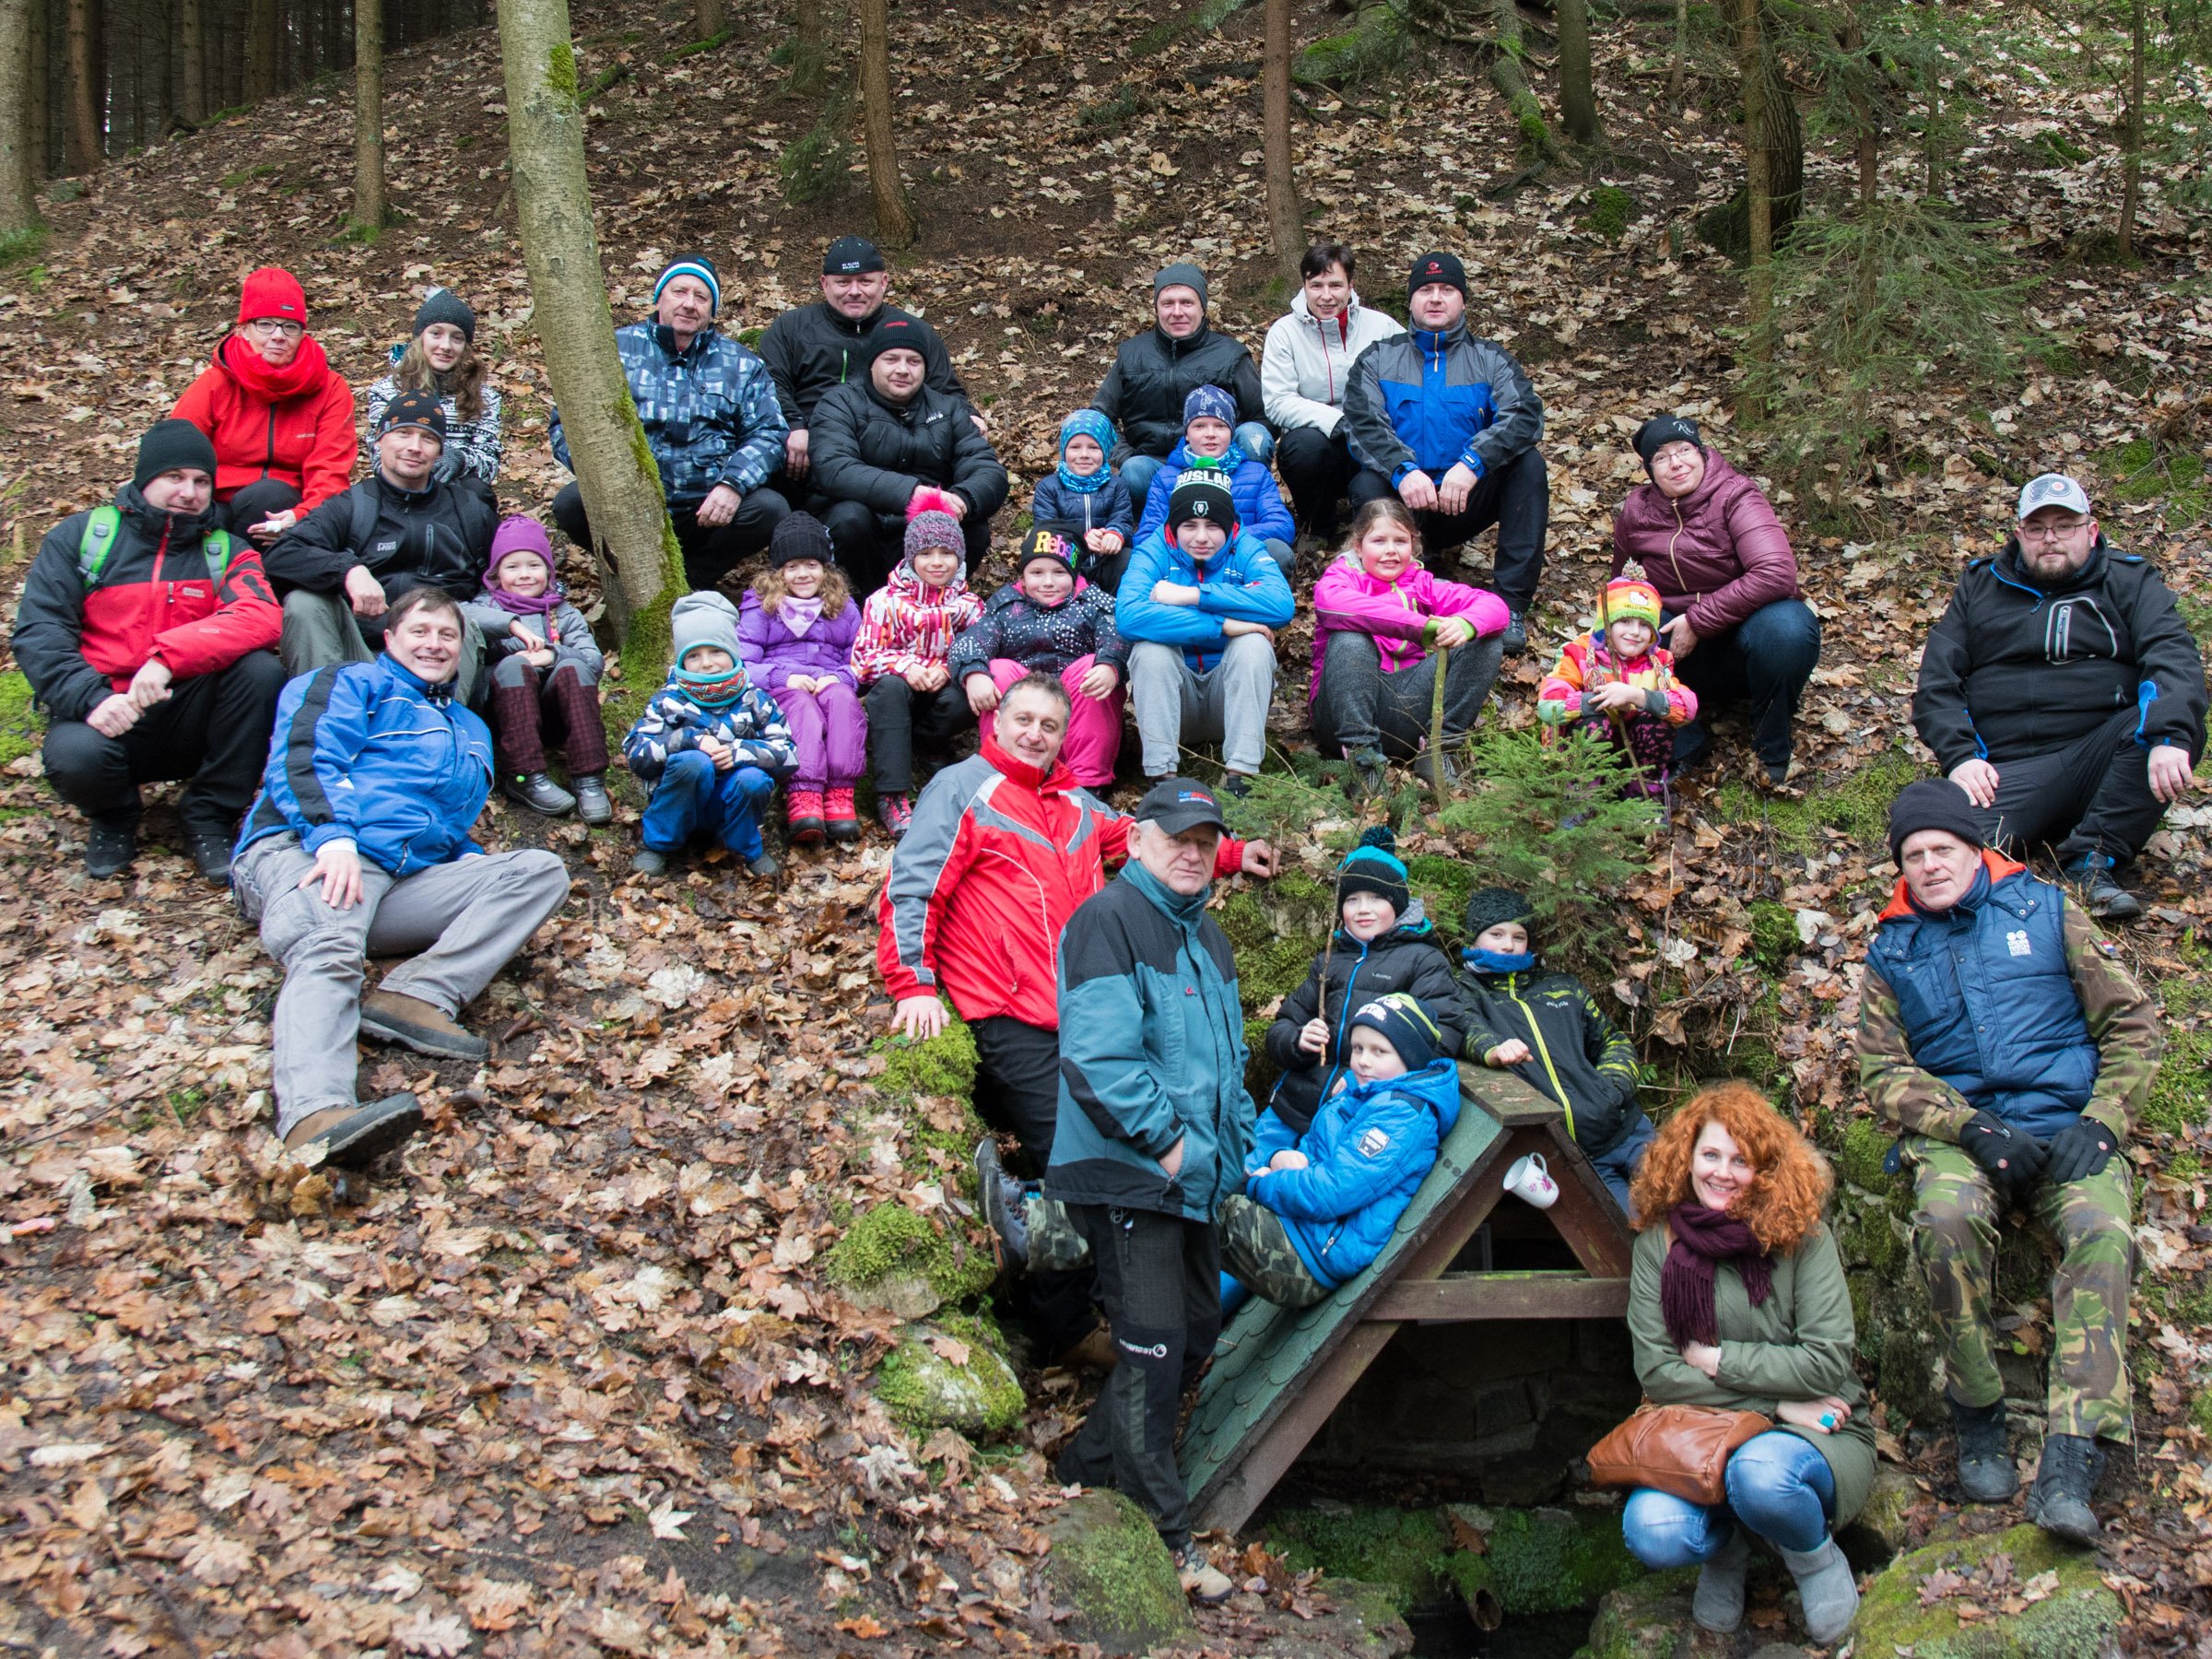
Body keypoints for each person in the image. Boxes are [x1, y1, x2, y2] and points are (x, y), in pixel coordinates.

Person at [885, 677, 1277, 1360]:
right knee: (1077, 1169)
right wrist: (913, 983)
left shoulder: (1071, 801)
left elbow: (1139, 838)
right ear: (997, 724)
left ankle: (1109, 1319)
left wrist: (1232, 854)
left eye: (1049, 724)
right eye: (1024, 720)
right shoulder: (960, 789)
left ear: (1066, 734)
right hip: (1012, 1011)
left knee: (1109, 1164)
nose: (1035, 734)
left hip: (1087, 1012)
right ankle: (1067, 1330)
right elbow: (915, 883)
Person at [1857, 778, 2160, 1546]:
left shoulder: (2049, 911)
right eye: (1914, 854)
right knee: (1946, 1218)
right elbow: (1882, 1071)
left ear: (1975, 849)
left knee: (2104, 1233)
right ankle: (1980, 1418)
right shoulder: (1892, 948)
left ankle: (2071, 1457)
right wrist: (1969, 1127)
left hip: (2067, 1126)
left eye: (1943, 849)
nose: (1929, 865)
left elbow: (2132, 1023)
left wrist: (2105, 1122)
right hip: (1967, 1137)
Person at [230, 587, 571, 1169]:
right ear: (389, 639)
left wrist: (467, 860)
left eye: (447, 635)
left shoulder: (469, 727)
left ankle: (415, 995)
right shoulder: (350, 683)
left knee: (538, 871)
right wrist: (331, 835)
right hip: (309, 849)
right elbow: (305, 756)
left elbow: (445, 823)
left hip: (400, 878)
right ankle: (315, 1115)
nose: (434, 645)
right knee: (330, 944)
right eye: (420, 631)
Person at [1041, 778, 1262, 1604]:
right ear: (1136, 841)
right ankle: (1163, 1535)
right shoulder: (1107, 922)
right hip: (1133, 1173)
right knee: (1153, 1343)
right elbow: (1098, 1058)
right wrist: (1169, 1145)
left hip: (1195, 1175)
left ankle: (1082, 1472)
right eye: (1176, 836)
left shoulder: (1208, 935)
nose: (1192, 852)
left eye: (1206, 840)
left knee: (1196, 1328)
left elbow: (1228, 1064)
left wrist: (1228, 1152)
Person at [992, 991, 1462, 1320]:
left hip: (1304, 1257)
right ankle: (1034, 1207)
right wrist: (1279, 1168)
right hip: (1294, 1227)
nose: (1362, 1060)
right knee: (1176, 1174)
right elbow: (1317, 1172)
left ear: (1411, 1059)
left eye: (1379, 1051)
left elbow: (1330, 1191)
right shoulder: (1371, 1094)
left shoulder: (1402, 1118)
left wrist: (1259, 1179)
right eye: (1358, 1047)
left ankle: (1031, 1233)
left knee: (1181, 1199)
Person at [1621, 1082, 1869, 1645]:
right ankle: (1727, 1551)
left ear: (1766, 1169)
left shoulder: (1804, 1240)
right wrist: (1775, 1401)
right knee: (1651, 1529)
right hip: (1713, 1429)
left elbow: (1826, 1362)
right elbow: (1658, 1374)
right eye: (1710, 1155)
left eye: (1741, 1161)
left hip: (1815, 1434)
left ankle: (1812, 1558)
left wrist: (1717, 1359)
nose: (1722, 1173)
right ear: (1686, 1159)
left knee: (1760, 1474)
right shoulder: (1656, 1248)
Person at [1913, 472, 2206, 921]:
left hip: (2101, 757)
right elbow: (1937, 681)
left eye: (2064, 525)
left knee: (2164, 730)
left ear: (2090, 530)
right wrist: (1960, 757)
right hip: (2005, 776)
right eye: (2037, 527)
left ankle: (2092, 861)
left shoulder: (2129, 580)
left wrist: (2170, 734)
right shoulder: (1979, 586)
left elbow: (2172, 656)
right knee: (1940, 841)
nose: (2050, 538)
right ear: (2019, 534)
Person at [12, 419, 286, 883]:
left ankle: (208, 815)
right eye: (174, 477)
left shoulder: (225, 549)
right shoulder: (83, 538)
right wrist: (91, 699)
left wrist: (166, 659)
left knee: (260, 672)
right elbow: (40, 631)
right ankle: (116, 816)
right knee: (75, 754)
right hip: (109, 709)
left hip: (190, 712)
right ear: (145, 479)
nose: (189, 492)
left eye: (201, 481)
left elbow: (261, 615)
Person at [1340, 251, 1547, 654]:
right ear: (1411, 301)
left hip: (1463, 499)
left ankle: (1510, 604)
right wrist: (1403, 470)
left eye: (1447, 290)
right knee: (1366, 481)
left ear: (1462, 300)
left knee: (1529, 466)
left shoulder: (1490, 359)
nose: (1435, 299)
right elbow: (1362, 423)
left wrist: (1473, 463)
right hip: (1404, 502)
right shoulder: (1379, 358)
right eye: (1426, 290)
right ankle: (1394, 595)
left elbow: (1524, 416)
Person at [548, 253, 791, 592]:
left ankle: (689, 580)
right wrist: (613, 482)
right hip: (630, 505)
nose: (689, 304)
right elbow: (566, 424)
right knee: (571, 503)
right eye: (680, 292)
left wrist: (732, 484)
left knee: (770, 509)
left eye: (701, 297)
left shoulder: (741, 364)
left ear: (712, 310)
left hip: (708, 511)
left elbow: (769, 433)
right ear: (659, 297)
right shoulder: (614, 351)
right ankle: (638, 574)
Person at [1611, 415, 1819, 791]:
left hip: (1747, 642)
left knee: (1788, 628)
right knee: (1617, 633)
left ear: (1702, 454)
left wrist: (1698, 620)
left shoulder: (1736, 495)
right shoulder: (1637, 511)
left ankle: (1771, 747)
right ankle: (1682, 742)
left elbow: (1775, 572)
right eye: (1661, 457)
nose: (1676, 463)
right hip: (1678, 654)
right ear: (1649, 471)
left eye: (1684, 451)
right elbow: (1622, 589)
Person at [265, 391, 499, 692]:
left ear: (440, 451)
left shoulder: (470, 512)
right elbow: (280, 556)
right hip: (359, 651)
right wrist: (348, 570)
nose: (414, 447)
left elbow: (508, 579)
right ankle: (323, 719)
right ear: (379, 439)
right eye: (403, 433)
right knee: (304, 603)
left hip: (439, 657)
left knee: (458, 615)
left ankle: (437, 727)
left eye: (427, 439)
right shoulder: (352, 505)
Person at [1456, 888, 1653, 1213]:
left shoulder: (1561, 985)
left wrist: (1610, 1088)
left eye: (1518, 936)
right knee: (1633, 1230)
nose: (1508, 944)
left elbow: (1612, 1041)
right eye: (1496, 934)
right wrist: (1493, 1049)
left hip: (1625, 1127)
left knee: (1686, 1205)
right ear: (1475, 938)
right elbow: (1464, 1030)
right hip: (1573, 1155)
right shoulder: (1465, 990)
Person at [1263, 828, 1465, 1134]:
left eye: (1376, 898)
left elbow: (1442, 1034)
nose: (1363, 910)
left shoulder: (1422, 961)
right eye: (1352, 899)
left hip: (1361, 1114)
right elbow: (1283, 1025)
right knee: (1249, 1173)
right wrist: (1297, 1040)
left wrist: (1366, 1082)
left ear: (1397, 904)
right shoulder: (1329, 961)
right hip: (1293, 1107)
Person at [1310, 498, 1510, 795]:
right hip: (1341, 715)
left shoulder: (1421, 583)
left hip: (1406, 711)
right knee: (1350, 637)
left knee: (1486, 639)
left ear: (1413, 545)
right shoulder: (1342, 578)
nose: (1391, 550)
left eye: (1400, 541)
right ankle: (1363, 764)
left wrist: (1465, 625)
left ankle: (1439, 750)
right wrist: (1422, 628)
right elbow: (1333, 604)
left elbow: (1495, 606)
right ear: (1358, 545)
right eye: (1379, 540)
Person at [1116, 468, 1295, 791]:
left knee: (1254, 644)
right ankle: (1162, 778)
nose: (1201, 537)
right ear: (1173, 527)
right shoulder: (1154, 550)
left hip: (1229, 703)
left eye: (1213, 526)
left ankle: (1241, 775)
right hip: (1174, 704)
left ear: (1230, 527)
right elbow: (1129, 616)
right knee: (1149, 651)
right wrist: (1224, 625)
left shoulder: (1245, 547)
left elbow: (1281, 605)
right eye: (1190, 526)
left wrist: (1194, 595)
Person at [807, 317, 1010, 596]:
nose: (902, 370)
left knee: (974, 529)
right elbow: (834, 468)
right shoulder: (839, 403)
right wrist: (912, 493)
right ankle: (862, 608)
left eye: (913, 361)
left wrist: (963, 500)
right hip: (867, 524)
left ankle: (938, 604)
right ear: (872, 363)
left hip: (928, 528)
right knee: (849, 519)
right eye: (891, 359)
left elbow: (987, 469)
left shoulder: (948, 408)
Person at [757, 233, 977, 491]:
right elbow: (770, 386)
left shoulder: (911, 330)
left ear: (883, 282)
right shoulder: (792, 328)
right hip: (814, 448)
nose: (854, 292)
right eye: (843, 282)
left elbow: (946, 390)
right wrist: (794, 425)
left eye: (864, 281)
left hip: (897, 445)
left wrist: (972, 417)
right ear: (824, 284)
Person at [171, 266, 356, 546]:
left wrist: (301, 515)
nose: (278, 336)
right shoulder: (214, 384)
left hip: (286, 509)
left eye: (290, 326)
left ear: (302, 334)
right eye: (265, 324)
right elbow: (174, 452)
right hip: (214, 505)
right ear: (243, 330)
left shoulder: (330, 389)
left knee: (269, 496)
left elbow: (330, 472)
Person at [622, 593, 796, 880]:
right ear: (681, 661)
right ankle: (658, 843)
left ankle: (746, 847)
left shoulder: (755, 699)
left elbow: (788, 753)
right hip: (678, 801)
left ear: (732, 652)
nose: (706, 664)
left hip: (729, 806)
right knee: (693, 762)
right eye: (693, 656)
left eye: (715, 651)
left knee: (752, 779)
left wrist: (738, 752)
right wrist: (689, 739)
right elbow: (637, 753)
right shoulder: (668, 700)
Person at [947, 528, 1127, 789]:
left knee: (1092, 668)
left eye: (1059, 572)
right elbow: (970, 641)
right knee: (997, 670)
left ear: (1074, 573)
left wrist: (1111, 664)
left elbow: (1118, 636)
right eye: (1037, 573)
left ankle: (1087, 784)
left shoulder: (1093, 603)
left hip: (1075, 717)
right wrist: (974, 672)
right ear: (1023, 575)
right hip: (1027, 715)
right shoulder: (1006, 606)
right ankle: (1003, 772)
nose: (1048, 582)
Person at [463, 516, 610, 824]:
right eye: (512, 567)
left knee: (573, 665)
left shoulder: (562, 612)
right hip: (504, 714)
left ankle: (589, 778)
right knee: (515, 665)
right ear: (496, 573)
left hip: (554, 715)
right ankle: (525, 775)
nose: (524, 575)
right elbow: (459, 614)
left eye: (533, 565)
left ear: (548, 570)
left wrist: (551, 654)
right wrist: (511, 627)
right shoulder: (485, 606)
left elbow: (594, 661)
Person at [1091, 263, 1271, 512]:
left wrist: (1226, 453)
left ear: (1202, 307)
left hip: (1221, 466)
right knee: (1133, 471)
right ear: (1156, 308)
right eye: (1168, 303)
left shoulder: (1231, 355)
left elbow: (1263, 417)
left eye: (1187, 303)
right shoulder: (1132, 354)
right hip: (1153, 467)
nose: (1177, 312)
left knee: (1255, 435)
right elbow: (1099, 417)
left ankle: (1243, 519)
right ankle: (1155, 534)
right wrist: (1124, 456)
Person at [852, 506, 983, 836]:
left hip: (942, 691)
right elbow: (863, 657)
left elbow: (980, 649)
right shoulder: (885, 601)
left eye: (946, 554)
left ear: (960, 558)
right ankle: (892, 793)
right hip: (900, 692)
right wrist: (907, 667)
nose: (937, 562)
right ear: (911, 557)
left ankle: (927, 742)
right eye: (926, 554)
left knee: (971, 694)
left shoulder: (969, 605)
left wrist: (948, 668)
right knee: (889, 689)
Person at [737, 513, 865, 846]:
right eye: (792, 566)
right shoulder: (761, 606)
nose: (802, 574)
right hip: (783, 688)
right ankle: (804, 794)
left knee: (843, 701)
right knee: (803, 708)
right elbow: (742, 663)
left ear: (825, 568)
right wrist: (783, 676)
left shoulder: (844, 607)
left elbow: (861, 656)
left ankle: (840, 792)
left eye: (810, 564)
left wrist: (841, 677)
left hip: (829, 680)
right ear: (779, 571)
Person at [1261, 242, 1403, 541]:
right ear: (1304, 287)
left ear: (1351, 285)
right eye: (1317, 285)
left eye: (1335, 285)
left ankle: (1376, 530)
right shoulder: (1284, 333)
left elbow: (1407, 386)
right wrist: (1336, 422)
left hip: (1372, 438)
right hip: (1319, 443)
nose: (1326, 296)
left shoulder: (1383, 327)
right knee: (1303, 446)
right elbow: (1278, 401)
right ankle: (1319, 528)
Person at [1536, 576, 1699, 801]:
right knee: (1593, 723)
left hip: (1631, 755)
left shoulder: (1658, 662)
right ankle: (1583, 797)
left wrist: (1638, 697)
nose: (1635, 632)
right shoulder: (1578, 654)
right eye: (1625, 621)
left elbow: (1687, 707)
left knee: (1658, 722)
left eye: (1644, 625)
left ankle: (1641, 794)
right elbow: (1548, 706)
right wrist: (1598, 700)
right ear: (1607, 623)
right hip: (1585, 756)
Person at [362, 288, 503, 503]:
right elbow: (378, 456)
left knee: (477, 491)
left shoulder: (486, 397)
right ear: (420, 338)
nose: (445, 346)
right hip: (401, 488)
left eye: (457, 338)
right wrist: (424, 461)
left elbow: (489, 463)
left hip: (456, 493)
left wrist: (460, 459)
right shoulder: (386, 391)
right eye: (436, 334)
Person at [1132, 385, 1294, 565]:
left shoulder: (1256, 473)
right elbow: (1146, 536)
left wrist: (1224, 536)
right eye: (1200, 426)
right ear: (1187, 434)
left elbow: (1282, 526)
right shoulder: (1167, 477)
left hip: (1239, 558)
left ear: (1231, 433)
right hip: (1185, 563)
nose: (1210, 434)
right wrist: (1192, 543)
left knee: (1278, 551)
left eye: (1220, 426)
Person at [1029, 409, 1135, 593]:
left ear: (1105, 451)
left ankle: (1122, 607)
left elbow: (1123, 518)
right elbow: (1046, 529)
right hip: (1068, 565)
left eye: (1093, 447)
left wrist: (1114, 533)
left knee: (1129, 558)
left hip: (1106, 563)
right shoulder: (1048, 487)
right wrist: (1080, 539)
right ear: (1064, 450)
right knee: (1046, 563)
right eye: (1075, 447)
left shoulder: (1117, 485)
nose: (1084, 454)